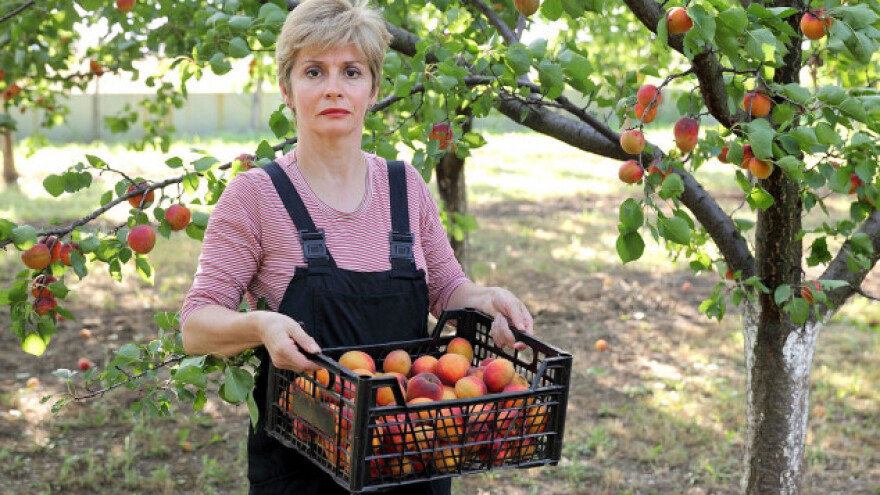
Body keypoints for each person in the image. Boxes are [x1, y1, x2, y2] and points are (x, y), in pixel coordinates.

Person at [179, 0, 533, 493]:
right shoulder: (255, 196)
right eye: (313, 71)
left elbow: (447, 288)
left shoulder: (404, 185)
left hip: (412, 450)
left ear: (373, 89)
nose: (333, 89)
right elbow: (196, 327)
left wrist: (482, 298)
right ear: (286, 88)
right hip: (303, 462)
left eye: (351, 71)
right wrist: (260, 324)